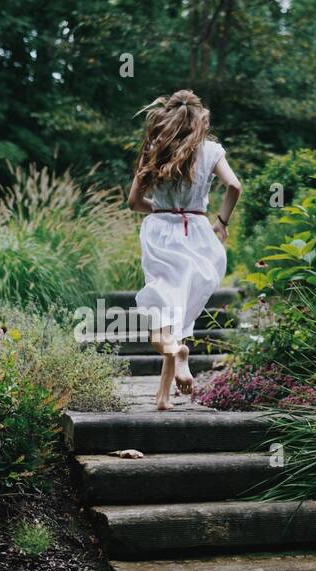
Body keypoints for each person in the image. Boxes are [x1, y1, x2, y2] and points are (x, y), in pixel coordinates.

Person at [126, 89, 242, 410]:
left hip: (162, 234)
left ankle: (176, 352)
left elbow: (134, 202)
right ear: (199, 116)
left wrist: (162, 209)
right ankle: (163, 397)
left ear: (168, 114)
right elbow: (234, 186)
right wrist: (220, 222)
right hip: (199, 234)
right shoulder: (211, 150)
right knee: (177, 313)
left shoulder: (155, 147)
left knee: (159, 319)